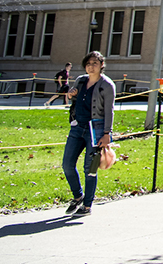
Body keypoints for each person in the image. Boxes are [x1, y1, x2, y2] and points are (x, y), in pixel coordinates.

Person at [61, 52, 115, 217]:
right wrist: (71, 95)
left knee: (90, 168)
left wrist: (107, 134)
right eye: (88, 63)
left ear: (101, 65)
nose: (91, 66)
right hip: (77, 127)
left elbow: (109, 111)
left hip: (96, 130)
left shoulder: (106, 85)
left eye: (95, 63)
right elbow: (76, 100)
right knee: (67, 164)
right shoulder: (80, 80)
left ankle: (87, 205)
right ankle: (78, 196)